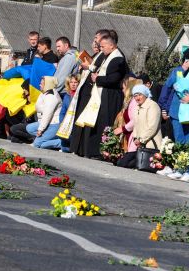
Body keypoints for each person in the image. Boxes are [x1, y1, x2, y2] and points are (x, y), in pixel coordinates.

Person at [67, 30, 128, 159]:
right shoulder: (107, 55)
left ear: (111, 45)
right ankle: (91, 150)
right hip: (102, 94)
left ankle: (101, 152)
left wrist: (97, 79)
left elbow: (114, 78)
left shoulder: (118, 59)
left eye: (103, 46)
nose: (101, 48)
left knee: (104, 124)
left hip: (110, 96)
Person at [116, 84, 163, 169]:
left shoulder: (152, 106)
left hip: (150, 145)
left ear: (145, 94)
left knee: (132, 165)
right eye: (135, 95)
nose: (137, 98)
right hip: (139, 145)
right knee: (121, 163)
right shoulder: (137, 107)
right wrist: (135, 139)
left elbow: (152, 127)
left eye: (140, 95)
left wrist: (141, 140)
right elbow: (136, 126)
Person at [23, 76, 62, 149]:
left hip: (54, 124)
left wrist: (40, 129)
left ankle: (61, 143)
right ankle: (45, 137)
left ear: (48, 85)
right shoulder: (45, 92)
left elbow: (47, 115)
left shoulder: (52, 97)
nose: (39, 85)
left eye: (42, 84)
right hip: (47, 123)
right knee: (29, 128)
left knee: (38, 144)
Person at [114, 76, 143, 153]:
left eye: (124, 88)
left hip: (134, 137)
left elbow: (135, 120)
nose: (122, 90)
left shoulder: (135, 102)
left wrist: (122, 129)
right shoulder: (129, 101)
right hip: (129, 136)